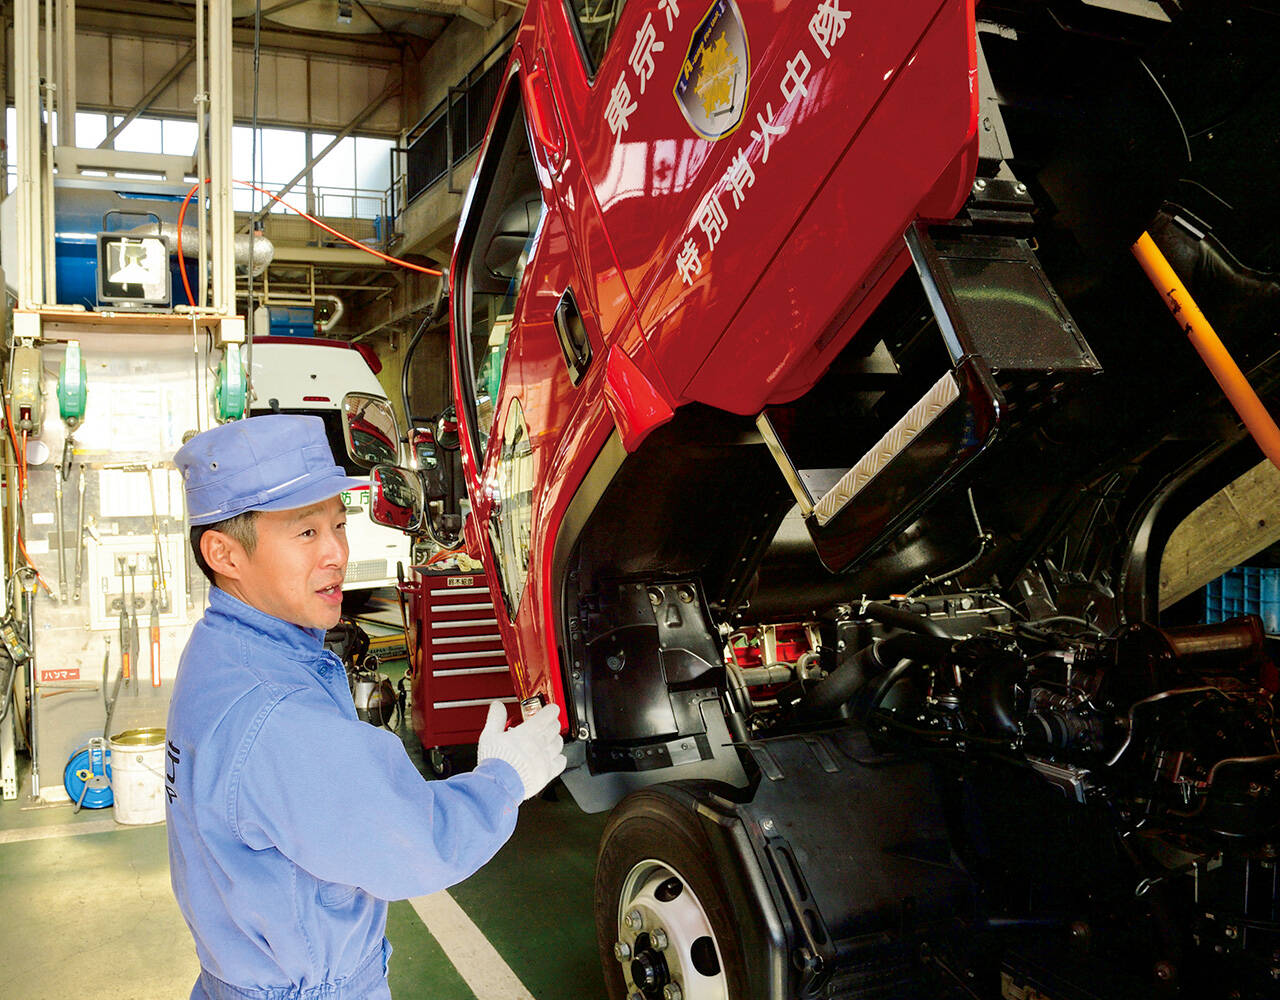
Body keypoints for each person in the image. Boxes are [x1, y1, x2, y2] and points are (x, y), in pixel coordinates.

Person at [165, 413, 566, 1000]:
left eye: (339, 523)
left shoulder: (224, 649)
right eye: (305, 533)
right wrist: (506, 778)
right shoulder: (279, 714)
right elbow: (417, 843)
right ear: (224, 554)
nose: (336, 554)